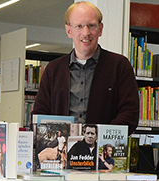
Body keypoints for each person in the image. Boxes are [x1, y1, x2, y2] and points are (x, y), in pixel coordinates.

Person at [31, 1, 139, 135]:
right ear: (69, 31)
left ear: (100, 29)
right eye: (79, 26)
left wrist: (100, 138)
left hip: (103, 151)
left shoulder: (119, 66)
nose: (86, 32)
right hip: (62, 151)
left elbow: (129, 114)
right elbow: (39, 115)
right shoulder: (53, 69)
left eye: (91, 25)